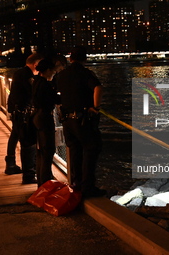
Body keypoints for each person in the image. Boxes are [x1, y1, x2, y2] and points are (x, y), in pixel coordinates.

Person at [56, 46, 106, 198]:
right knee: (91, 149)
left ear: (70, 59)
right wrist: (96, 107)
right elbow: (98, 87)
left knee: (75, 151)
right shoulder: (85, 73)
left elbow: (57, 93)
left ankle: (75, 183)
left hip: (66, 120)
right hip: (82, 118)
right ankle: (87, 186)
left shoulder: (61, 75)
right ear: (85, 59)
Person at [6, 53, 43, 184]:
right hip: (23, 113)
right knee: (27, 143)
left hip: (15, 110)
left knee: (14, 135)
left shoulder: (19, 72)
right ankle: (29, 174)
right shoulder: (28, 75)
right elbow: (33, 92)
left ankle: (10, 164)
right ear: (35, 64)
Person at [32, 57, 66, 187]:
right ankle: (45, 183)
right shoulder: (45, 84)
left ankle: (42, 181)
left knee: (41, 151)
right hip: (45, 118)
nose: (54, 73)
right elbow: (56, 99)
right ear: (47, 70)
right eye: (52, 70)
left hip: (37, 117)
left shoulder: (36, 81)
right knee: (48, 151)